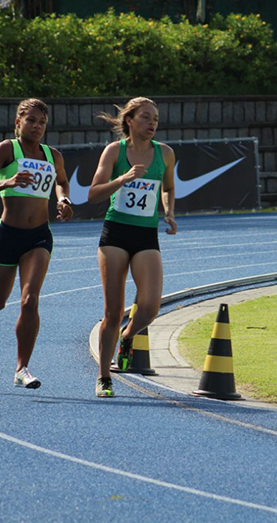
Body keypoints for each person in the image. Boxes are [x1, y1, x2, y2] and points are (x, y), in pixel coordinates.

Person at [0, 98, 74, 388]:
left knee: (30, 299)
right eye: (32, 121)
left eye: (42, 122)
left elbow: (62, 182)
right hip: (7, 235)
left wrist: (63, 198)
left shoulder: (53, 156)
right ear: (18, 123)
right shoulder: (7, 149)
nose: (37, 126)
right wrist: (8, 181)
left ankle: (22, 368)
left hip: (38, 235)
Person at [88, 97, 176, 397]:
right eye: (145, 117)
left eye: (156, 119)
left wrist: (169, 211)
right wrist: (123, 178)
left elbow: (168, 187)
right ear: (129, 120)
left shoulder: (165, 153)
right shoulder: (115, 152)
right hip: (115, 233)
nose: (152, 123)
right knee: (112, 312)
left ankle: (128, 336)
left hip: (146, 235)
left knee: (150, 306)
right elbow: (93, 194)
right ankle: (104, 377)